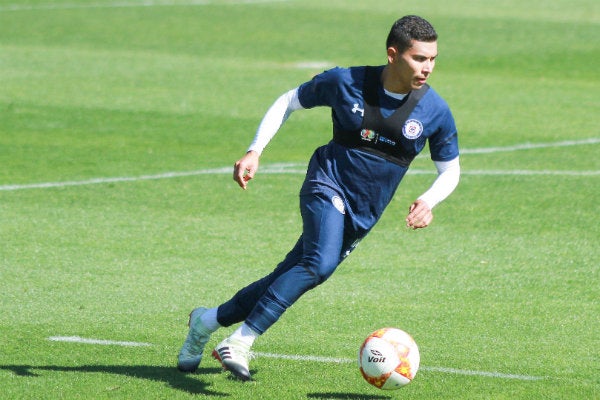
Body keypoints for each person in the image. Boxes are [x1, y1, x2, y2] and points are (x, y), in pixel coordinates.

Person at [177, 15, 460, 381]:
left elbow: (450, 170)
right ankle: (241, 341)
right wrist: (254, 150)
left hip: (363, 213)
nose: (428, 67)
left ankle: (206, 320)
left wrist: (429, 200)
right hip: (326, 185)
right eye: (419, 58)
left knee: (293, 274)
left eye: (433, 58)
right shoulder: (345, 81)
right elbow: (288, 101)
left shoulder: (435, 110)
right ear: (393, 54)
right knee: (318, 264)